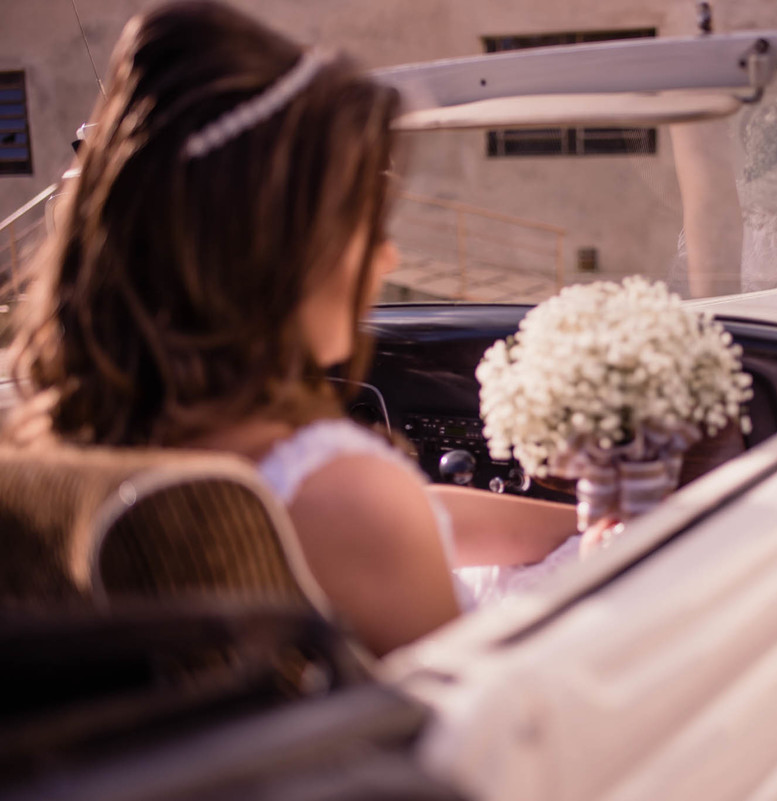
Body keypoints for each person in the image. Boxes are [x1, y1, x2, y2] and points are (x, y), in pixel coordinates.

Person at [5, 0, 576, 656]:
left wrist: (577, 521)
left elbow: (403, 517)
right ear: (268, 255)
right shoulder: (341, 494)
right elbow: (488, 729)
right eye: (363, 224)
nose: (386, 257)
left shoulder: (51, 452)